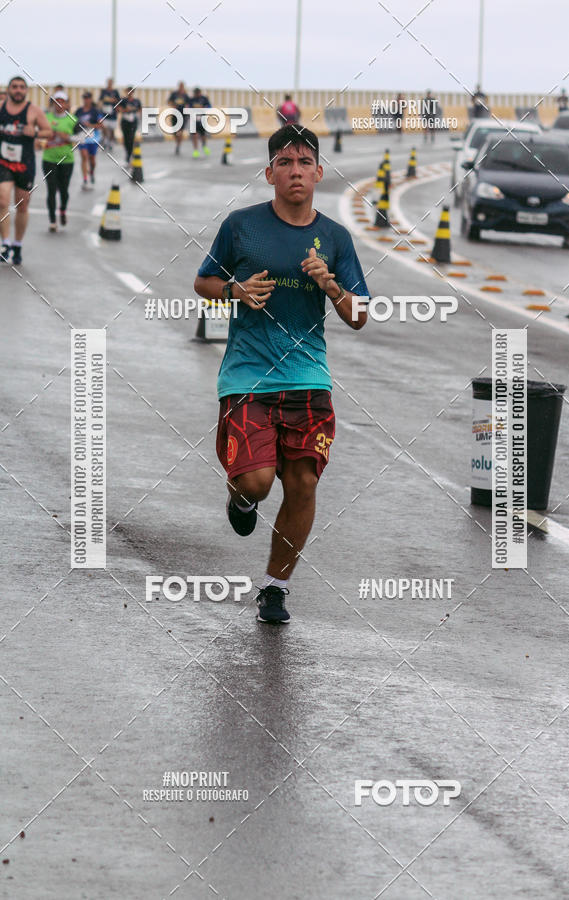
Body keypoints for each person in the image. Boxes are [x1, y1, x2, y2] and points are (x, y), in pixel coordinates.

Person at [194, 124, 369, 624]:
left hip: (309, 378)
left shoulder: (336, 238)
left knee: (304, 486)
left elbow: (358, 315)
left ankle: (275, 587)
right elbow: (203, 281)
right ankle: (241, 499)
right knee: (257, 482)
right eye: (285, 163)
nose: (295, 172)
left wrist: (332, 287)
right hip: (248, 376)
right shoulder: (241, 227)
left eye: (304, 163)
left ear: (319, 172)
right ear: (270, 172)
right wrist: (235, 291)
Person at [0, 75, 52, 265]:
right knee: (2, 200)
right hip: (3, 162)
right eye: (15, 87)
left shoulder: (33, 111)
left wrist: (36, 133)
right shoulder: (1, 108)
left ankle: (17, 244)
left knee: (22, 205)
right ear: (9, 90)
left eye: (22, 87)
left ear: (26, 91)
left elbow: (48, 131)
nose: (18, 90)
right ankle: (5, 243)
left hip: (24, 163)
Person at [42, 90, 78, 231]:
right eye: (56, 101)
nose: (59, 104)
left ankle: (62, 210)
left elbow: (82, 137)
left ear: (67, 104)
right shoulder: (46, 118)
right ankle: (52, 220)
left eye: (62, 101)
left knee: (63, 190)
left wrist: (67, 137)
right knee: (51, 190)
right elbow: (39, 132)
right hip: (49, 158)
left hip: (67, 160)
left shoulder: (72, 119)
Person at [75, 91, 102, 189]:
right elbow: (74, 124)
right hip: (82, 138)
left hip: (93, 138)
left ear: (91, 99)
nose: (86, 100)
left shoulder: (96, 111)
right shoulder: (79, 111)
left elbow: (100, 125)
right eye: (84, 98)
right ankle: (85, 179)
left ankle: (91, 172)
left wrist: (89, 125)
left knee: (92, 160)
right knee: (84, 157)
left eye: (88, 98)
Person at [98, 77, 121, 150]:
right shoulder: (103, 91)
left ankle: (111, 142)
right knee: (104, 128)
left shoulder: (115, 92)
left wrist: (113, 101)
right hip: (105, 113)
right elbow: (100, 100)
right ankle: (105, 141)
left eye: (111, 82)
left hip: (113, 114)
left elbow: (118, 101)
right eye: (109, 82)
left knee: (112, 129)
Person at [120, 86, 141, 165]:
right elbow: (119, 109)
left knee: (131, 137)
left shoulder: (136, 101)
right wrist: (126, 110)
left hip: (133, 120)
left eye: (131, 91)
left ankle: (129, 154)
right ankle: (127, 152)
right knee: (126, 138)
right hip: (125, 120)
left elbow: (140, 109)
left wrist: (133, 109)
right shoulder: (123, 100)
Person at [189, 87, 211, 157]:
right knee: (194, 135)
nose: (197, 94)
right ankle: (195, 150)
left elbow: (209, 107)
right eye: (196, 93)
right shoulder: (192, 100)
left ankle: (204, 146)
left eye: (198, 93)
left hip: (202, 119)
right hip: (194, 119)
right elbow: (188, 107)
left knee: (203, 135)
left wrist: (203, 108)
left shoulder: (204, 99)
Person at [168, 81, 189, 155]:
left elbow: (189, 103)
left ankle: (178, 145)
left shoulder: (185, 95)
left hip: (183, 115)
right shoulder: (174, 94)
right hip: (175, 114)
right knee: (174, 131)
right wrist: (173, 105)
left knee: (181, 131)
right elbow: (169, 102)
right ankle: (177, 142)